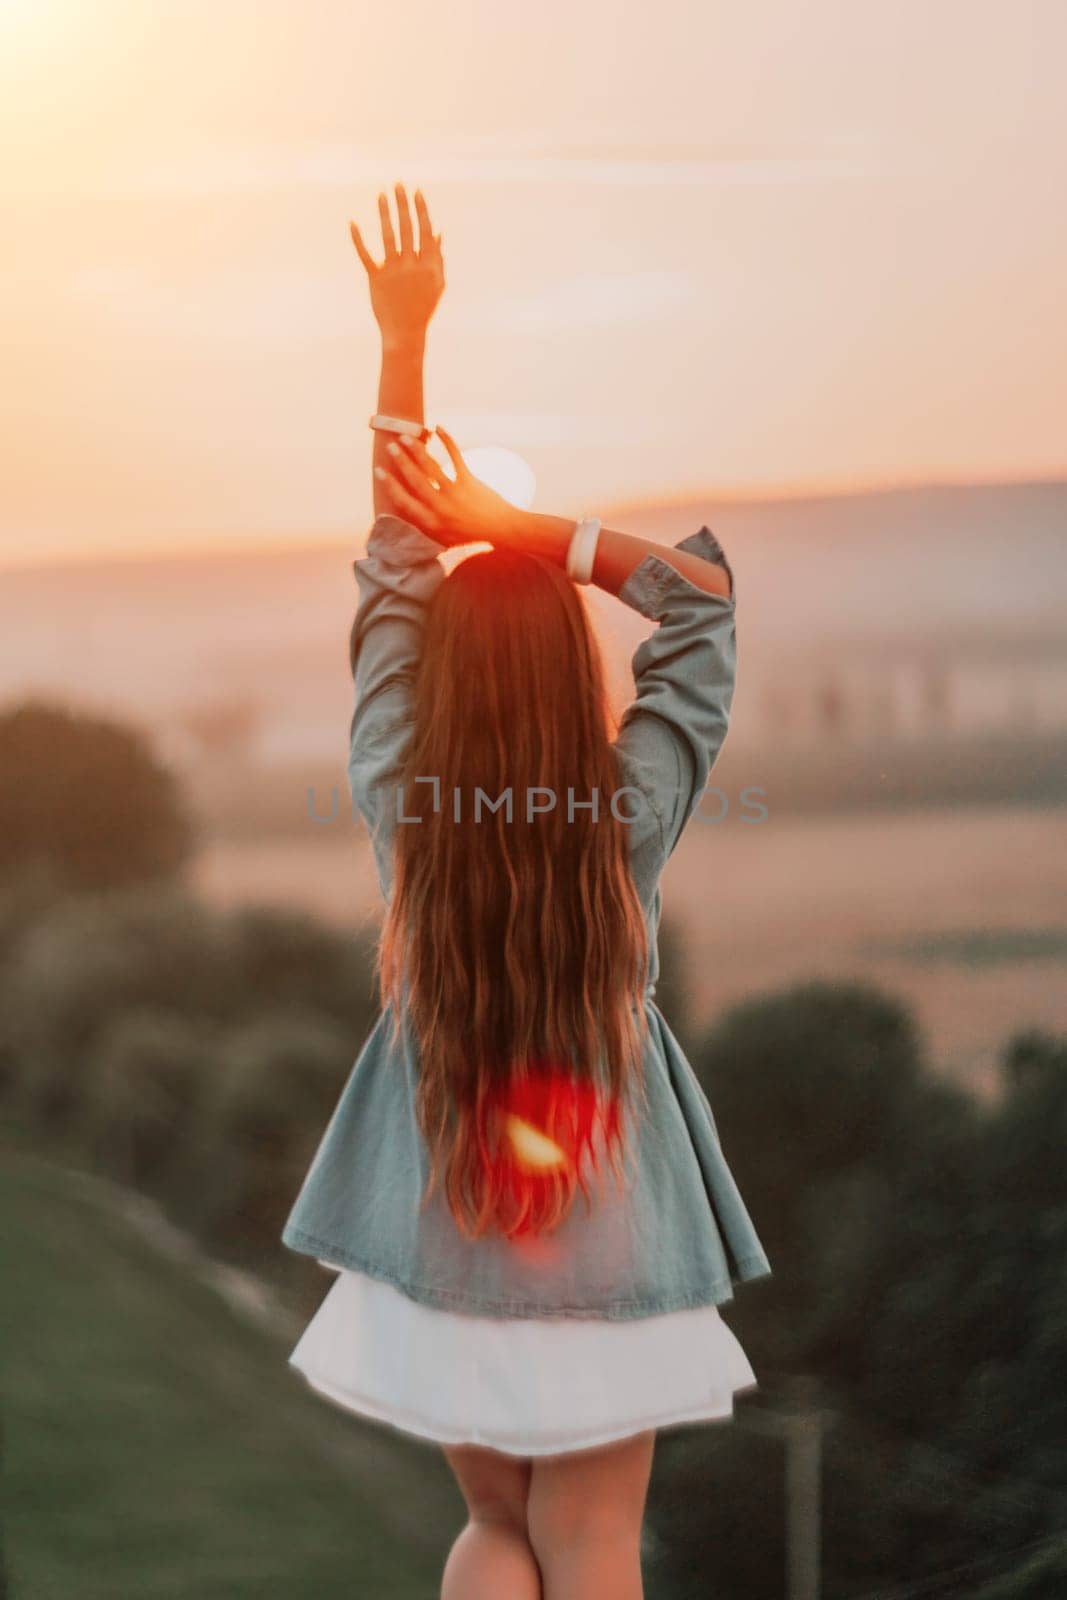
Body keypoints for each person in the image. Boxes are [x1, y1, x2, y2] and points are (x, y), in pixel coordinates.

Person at [283, 183, 771, 1600]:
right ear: (575, 676)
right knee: (595, 1544)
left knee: (499, 1538)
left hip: (446, 1224)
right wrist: (525, 527)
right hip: (614, 1232)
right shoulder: (625, 815)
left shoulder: (401, 802)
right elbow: (701, 602)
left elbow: (390, 569)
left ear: (430, 689)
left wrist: (401, 346)